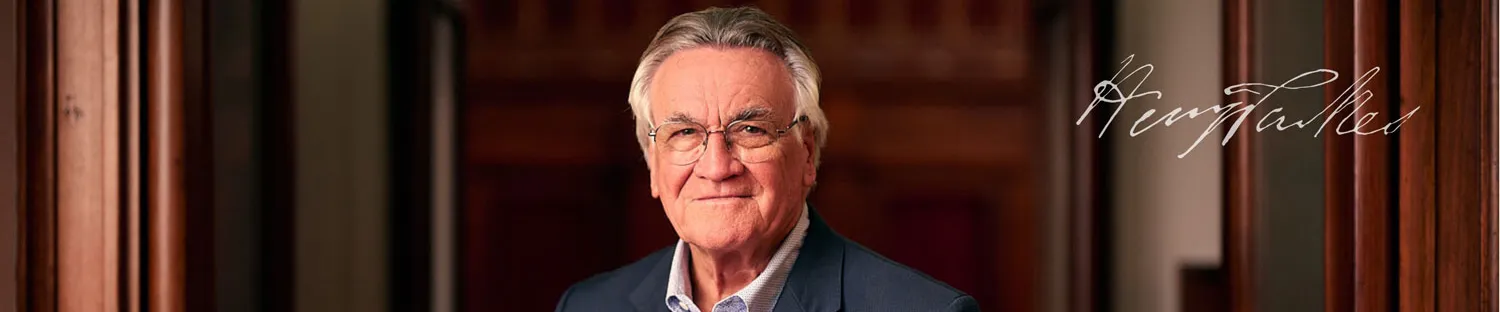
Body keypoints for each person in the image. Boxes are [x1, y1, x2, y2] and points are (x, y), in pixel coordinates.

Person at [554, 6, 979, 312]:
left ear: (807, 154)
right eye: (684, 132)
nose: (718, 167)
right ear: (652, 162)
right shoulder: (588, 305)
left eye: (750, 130)